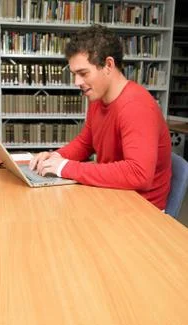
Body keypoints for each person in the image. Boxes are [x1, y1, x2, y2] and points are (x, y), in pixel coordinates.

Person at [29, 25, 172, 210]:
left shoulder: (137, 106)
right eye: (74, 74)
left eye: (83, 73)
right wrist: (55, 157)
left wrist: (65, 167)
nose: (77, 82)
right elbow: (85, 142)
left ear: (108, 65)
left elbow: (139, 174)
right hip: (112, 196)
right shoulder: (97, 97)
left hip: (141, 211)